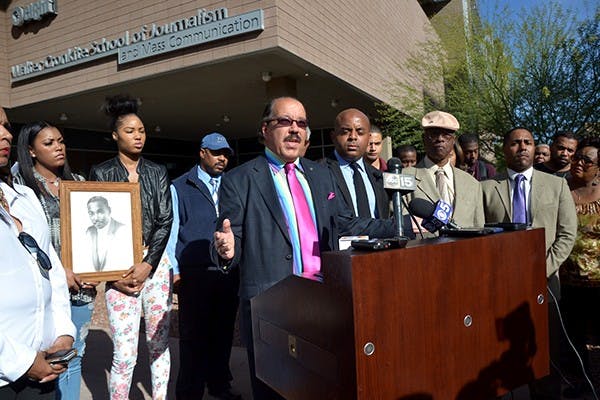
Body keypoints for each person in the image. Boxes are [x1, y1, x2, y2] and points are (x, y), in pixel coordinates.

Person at [212, 97, 395, 399]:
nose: (295, 129)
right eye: (285, 121)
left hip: (320, 303)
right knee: (274, 391)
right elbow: (234, 240)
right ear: (265, 129)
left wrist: (399, 227)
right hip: (270, 308)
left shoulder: (321, 174)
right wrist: (227, 250)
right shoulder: (239, 179)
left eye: (301, 123)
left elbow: (344, 225)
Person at [482, 127, 577, 400]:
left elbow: (567, 233)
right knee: (504, 356)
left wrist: (540, 270)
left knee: (546, 357)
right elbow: (479, 235)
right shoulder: (487, 188)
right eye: (515, 143)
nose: (522, 147)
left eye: (528, 142)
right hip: (502, 288)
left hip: (545, 286)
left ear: (535, 148)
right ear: (504, 149)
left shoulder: (557, 185)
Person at [90, 95, 173, 400]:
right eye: (130, 131)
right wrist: (112, 277)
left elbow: (165, 220)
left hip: (155, 263)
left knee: (158, 345)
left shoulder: (157, 171)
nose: (138, 136)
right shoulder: (101, 173)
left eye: (141, 130)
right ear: (115, 135)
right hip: (118, 268)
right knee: (125, 353)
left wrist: (148, 263)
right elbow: (95, 224)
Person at [13, 120, 96, 400]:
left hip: (82, 289)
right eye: (49, 143)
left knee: (74, 354)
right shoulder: (20, 189)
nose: (59, 147)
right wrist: (62, 272)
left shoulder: (80, 184)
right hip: (44, 292)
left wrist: (97, 266)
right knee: (44, 360)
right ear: (31, 151)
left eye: (60, 141)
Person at [0, 108, 76, 399]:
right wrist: (23, 362)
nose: (6, 134)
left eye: (6, 125)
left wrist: (63, 333)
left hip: (43, 368)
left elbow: (51, 271)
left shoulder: (24, 198)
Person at [168, 133, 241, 400]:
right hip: (194, 274)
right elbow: (173, 232)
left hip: (227, 271)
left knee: (223, 334)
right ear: (202, 153)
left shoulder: (232, 185)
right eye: (216, 152)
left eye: (226, 154)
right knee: (193, 338)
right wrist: (174, 272)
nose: (222, 158)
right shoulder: (180, 186)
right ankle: (189, 392)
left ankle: (220, 386)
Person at [559, 137, 600, 397]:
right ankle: (580, 385)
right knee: (573, 340)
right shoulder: (560, 189)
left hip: (599, 282)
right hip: (567, 281)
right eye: (577, 157)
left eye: (587, 160)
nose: (579, 163)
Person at [403, 110, 484, 235]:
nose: (440, 139)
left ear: (453, 141)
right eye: (434, 134)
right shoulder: (405, 177)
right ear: (424, 139)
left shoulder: (472, 184)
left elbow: (479, 230)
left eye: (446, 135)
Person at [322, 108, 390, 219]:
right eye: (345, 131)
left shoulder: (378, 176)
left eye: (360, 132)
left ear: (368, 138)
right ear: (333, 137)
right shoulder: (319, 172)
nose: (353, 137)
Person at [84, 196, 132, 272]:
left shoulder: (123, 230)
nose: (95, 218)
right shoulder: (89, 231)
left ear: (109, 210)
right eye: (91, 213)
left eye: (100, 212)